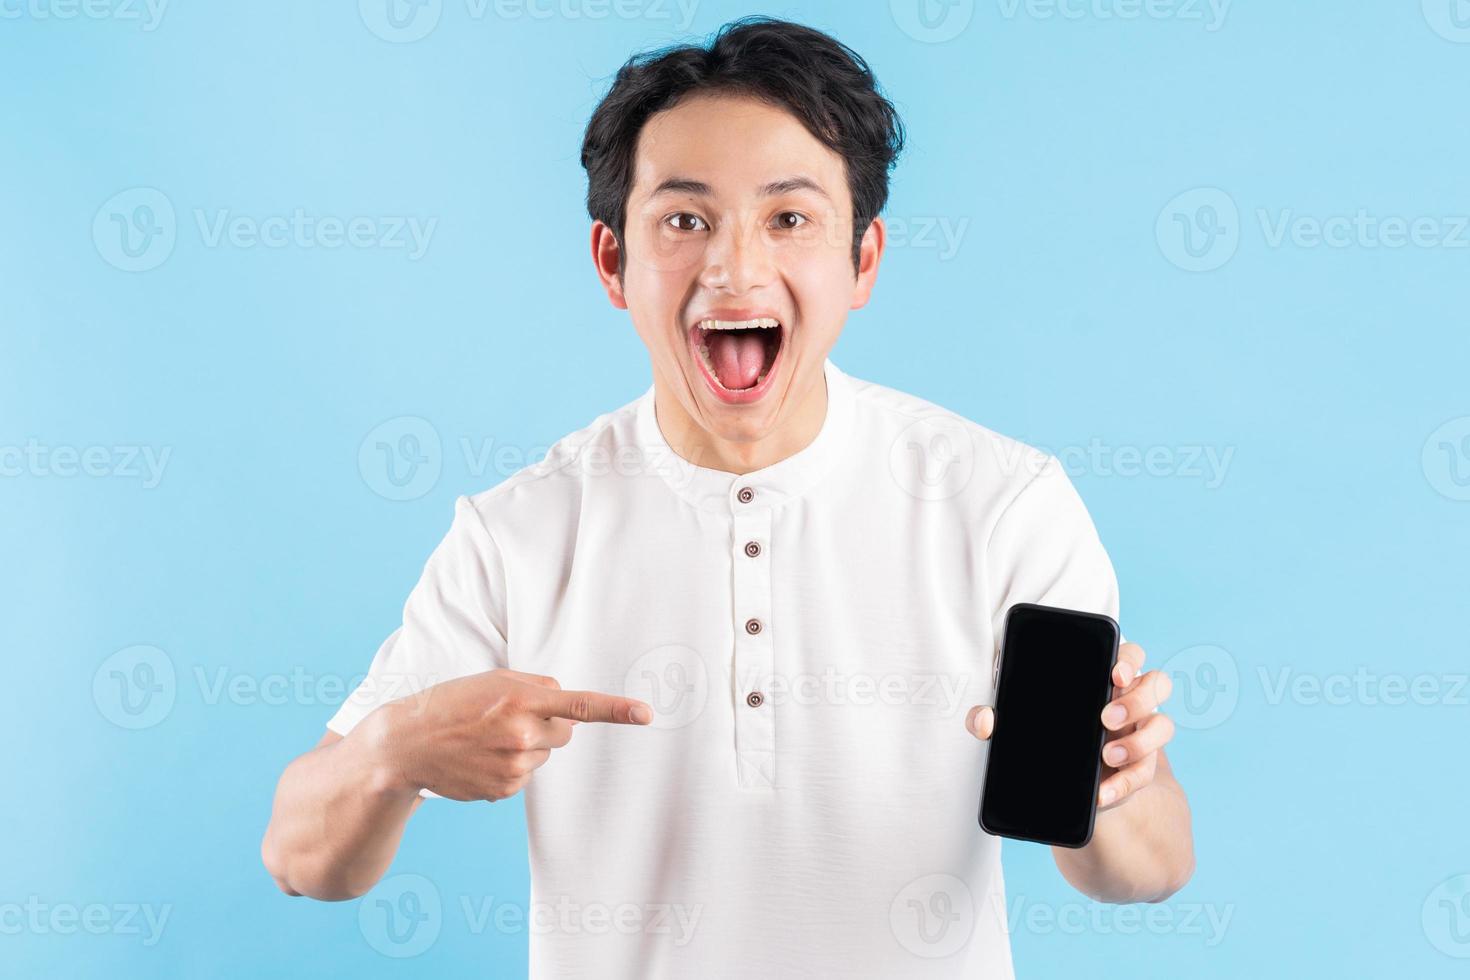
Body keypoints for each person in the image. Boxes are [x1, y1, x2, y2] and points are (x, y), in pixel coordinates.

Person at [261, 15, 1193, 977]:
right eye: (684, 219)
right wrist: (392, 755)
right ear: (612, 263)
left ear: (862, 260)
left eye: (788, 218)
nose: (734, 267)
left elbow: (1147, 873)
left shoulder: (1002, 503)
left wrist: (1124, 779)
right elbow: (301, 860)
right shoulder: (519, 531)